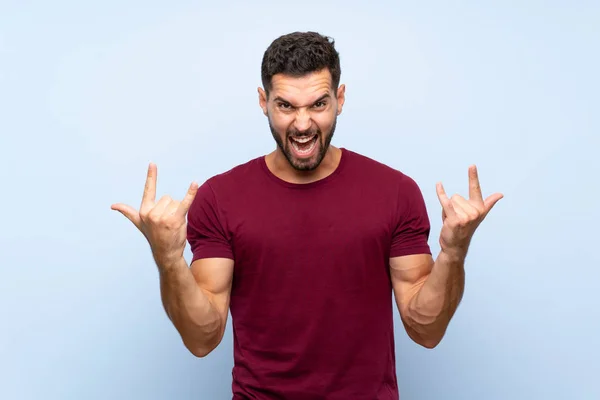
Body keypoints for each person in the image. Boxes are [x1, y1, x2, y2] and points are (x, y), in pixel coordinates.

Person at [111, 31, 503, 400]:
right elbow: (203, 338)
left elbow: (427, 328)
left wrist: (454, 252)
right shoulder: (220, 197)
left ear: (340, 98)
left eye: (318, 104)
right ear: (263, 101)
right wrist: (167, 259)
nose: (302, 124)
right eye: (286, 106)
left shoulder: (395, 192)